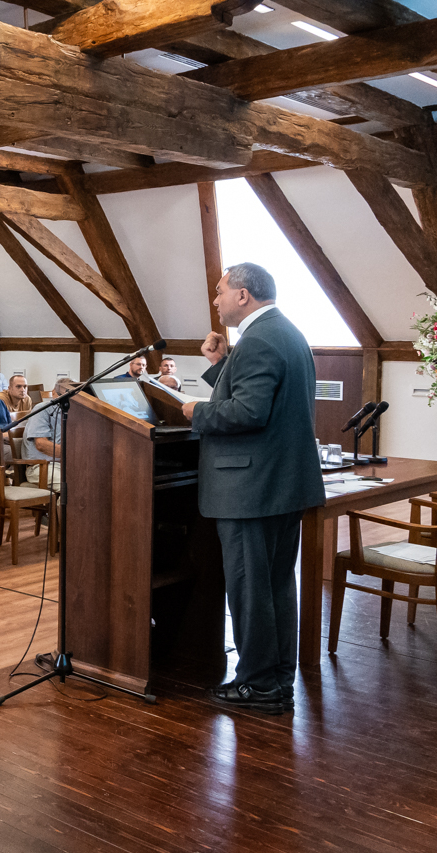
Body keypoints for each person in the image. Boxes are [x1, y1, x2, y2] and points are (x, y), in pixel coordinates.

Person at [181, 263, 323, 715]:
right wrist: (220, 365)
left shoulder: (259, 339)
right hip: (280, 484)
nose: (216, 300)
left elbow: (248, 412)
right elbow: (262, 397)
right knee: (275, 587)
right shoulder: (285, 333)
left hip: (251, 488)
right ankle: (276, 681)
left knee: (250, 590)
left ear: (243, 295)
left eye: (220, 291)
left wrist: (195, 411)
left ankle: (258, 684)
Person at [19, 378, 71, 490]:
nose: (66, 399)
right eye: (62, 394)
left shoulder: (72, 412)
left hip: (66, 465)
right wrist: (73, 454)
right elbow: (41, 445)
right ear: (53, 392)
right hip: (42, 467)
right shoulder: (42, 409)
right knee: (71, 486)